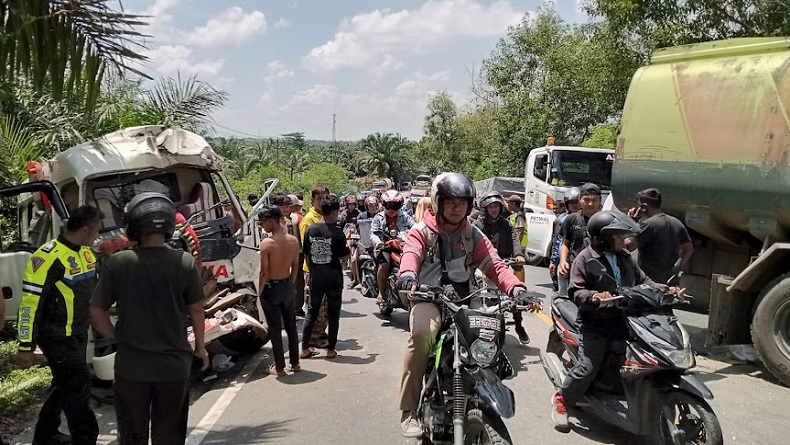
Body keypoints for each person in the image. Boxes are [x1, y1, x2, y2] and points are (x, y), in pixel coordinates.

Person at [394, 173, 538, 437]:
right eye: (450, 202)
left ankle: (479, 392)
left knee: (488, 337)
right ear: (438, 202)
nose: (457, 208)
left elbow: (495, 265)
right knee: (422, 335)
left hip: (466, 298)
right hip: (429, 297)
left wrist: (517, 289)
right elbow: (411, 254)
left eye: (462, 202)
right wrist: (407, 275)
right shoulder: (421, 231)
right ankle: (409, 408)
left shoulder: (473, 234)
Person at [90, 193, 208, 445]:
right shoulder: (184, 262)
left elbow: (96, 310)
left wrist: (116, 335)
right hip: (174, 367)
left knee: (132, 436)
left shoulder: (118, 263)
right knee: (169, 436)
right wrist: (200, 349)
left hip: (131, 368)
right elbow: (197, 310)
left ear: (133, 224)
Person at [552, 209, 664, 429]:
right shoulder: (585, 258)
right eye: (619, 236)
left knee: (641, 360)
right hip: (595, 323)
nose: (624, 240)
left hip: (624, 320)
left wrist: (664, 289)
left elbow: (644, 280)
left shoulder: (624, 257)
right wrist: (595, 296)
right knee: (588, 367)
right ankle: (562, 399)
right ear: (603, 237)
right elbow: (576, 291)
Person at [16, 205, 102, 445]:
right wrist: (25, 346)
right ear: (85, 229)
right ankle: (86, 439)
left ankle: (46, 434)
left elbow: (92, 292)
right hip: (56, 336)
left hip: (78, 331)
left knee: (64, 384)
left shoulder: (86, 254)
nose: (98, 235)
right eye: (96, 230)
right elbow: (30, 305)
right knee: (79, 387)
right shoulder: (46, 257)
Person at [472, 191, 530, 345]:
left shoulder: (506, 224)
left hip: (501, 266)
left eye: (496, 206)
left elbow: (514, 239)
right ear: (484, 208)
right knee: (470, 294)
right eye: (490, 207)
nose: (494, 210)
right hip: (481, 266)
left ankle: (519, 325)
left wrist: (518, 254)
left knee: (514, 295)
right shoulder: (477, 225)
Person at [301, 196, 351, 360]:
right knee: (333, 313)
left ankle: (304, 348)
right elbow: (344, 257)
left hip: (316, 277)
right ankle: (330, 350)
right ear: (335, 212)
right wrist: (348, 246)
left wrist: (314, 270)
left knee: (311, 312)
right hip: (333, 278)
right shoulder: (337, 232)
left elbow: (306, 255)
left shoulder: (310, 230)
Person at [257, 205, 302, 376]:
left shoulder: (266, 244)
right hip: (287, 285)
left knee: (275, 328)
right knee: (291, 326)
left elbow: (264, 272)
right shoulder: (293, 241)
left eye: (262, 223)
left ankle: (280, 367)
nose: (262, 226)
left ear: (270, 221)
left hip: (271, 287)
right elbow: (295, 266)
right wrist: (290, 283)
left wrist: (259, 292)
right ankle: (295, 363)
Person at [625, 188, 694, 284]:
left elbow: (628, 246)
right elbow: (689, 249)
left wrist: (630, 223)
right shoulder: (677, 223)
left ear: (644, 207)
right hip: (670, 280)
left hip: (649, 282)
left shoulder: (648, 225)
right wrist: (677, 267)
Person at [300, 186, 331, 347]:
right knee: (316, 307)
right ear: (312, 201)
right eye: (319, 199)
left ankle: (320, 332)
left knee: (325, 307)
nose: (323, 202)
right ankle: (313, 338)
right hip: (315, 270)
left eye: (325, 198)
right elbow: (307, 249)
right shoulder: (309, 220)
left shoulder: (327, 216)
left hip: (327, 269)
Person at [371, 190, 415, 305]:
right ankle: (381, 293)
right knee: (384, 265)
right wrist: (379, 243)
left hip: (402, 246)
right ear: (384, 205)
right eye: (389, 205)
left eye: (395, 206)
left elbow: (415, 228)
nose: (392, 209)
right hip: (384, 247)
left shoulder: (405, 216)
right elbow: (373, 234)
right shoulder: (378, 217)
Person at [558, 183, 602, 295]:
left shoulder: (605, 220)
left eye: (594, 200)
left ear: (600, 201)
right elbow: (565, 243)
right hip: (575, 268)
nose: (590, 203)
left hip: (598, 271)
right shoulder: (571, 219)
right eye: (586, 200)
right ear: (580, 200)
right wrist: (563, 261)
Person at [549, 188, 582, 295]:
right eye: (571, 203)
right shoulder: (563, 220)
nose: (575, 205)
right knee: (563, 295)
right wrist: (554, 261)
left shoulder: (590, 218)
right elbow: (558, 242)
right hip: (567, 262)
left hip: (584, 262)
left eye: (576, 202)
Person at [338, 194, 362, 288]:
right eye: (350, 204)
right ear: (347, 205)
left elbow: (362, 225)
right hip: (347, 237)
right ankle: (354, 279)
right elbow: (339, 227)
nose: (351, 206)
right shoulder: (343, 215)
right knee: (352, 259)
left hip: (358, 237)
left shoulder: (359, 214)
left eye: (353, 204)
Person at [288, 193, 306, 316]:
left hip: (284, 253)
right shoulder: (299, 218)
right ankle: (297, 307)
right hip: (298, 253)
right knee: (298, 280)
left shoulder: (280, 218)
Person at [505, 195, 528, 282]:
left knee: (518, 266)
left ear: (513, 203)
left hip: (519, 245)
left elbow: (520, 231)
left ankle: (520, 285)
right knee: (516, 266)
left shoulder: (519, 215)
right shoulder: (516, 214)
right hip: (518, 244)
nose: (508, 205)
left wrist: (516, 246)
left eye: (509, 203)